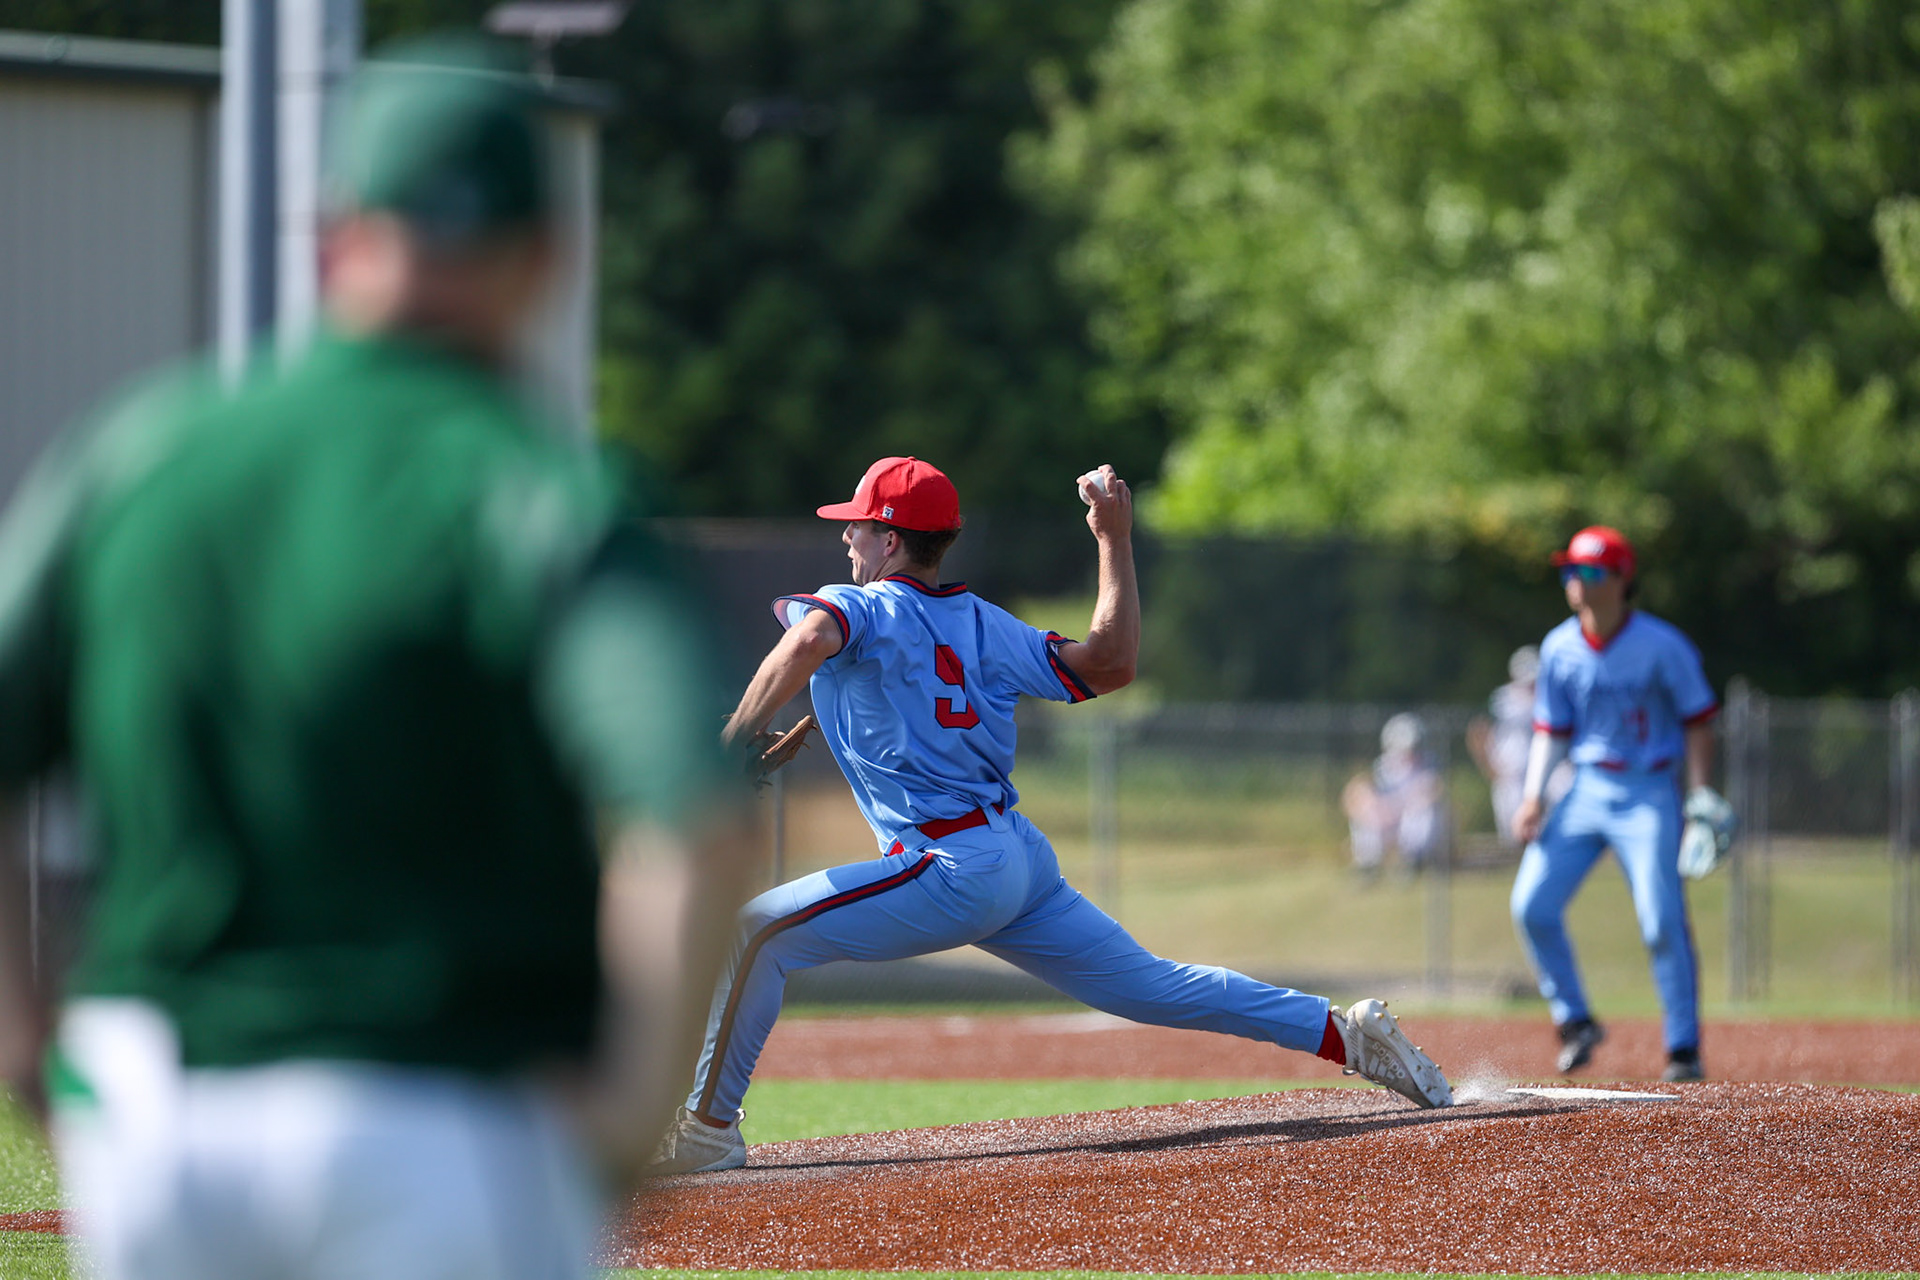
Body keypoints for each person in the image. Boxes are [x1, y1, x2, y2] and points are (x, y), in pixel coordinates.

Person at [0, 41, 751, 1280]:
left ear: (332, 236)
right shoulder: (542, 489)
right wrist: (625, 1113)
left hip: (158, 1127)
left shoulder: (138, 459)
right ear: (546, 260)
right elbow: (695, 818)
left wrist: (24, 1043)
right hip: (444, 1107)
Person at [645, 456, 1455, 1176]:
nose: (846, 541)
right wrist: (1114, 538)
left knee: (754, 932)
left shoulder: (857, 608)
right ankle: (1346, 1036)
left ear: (891, 540)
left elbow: (815, 634)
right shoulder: (985, 623)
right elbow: (1112, 663)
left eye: (857, 526)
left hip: (949, 869)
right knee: (1153, 986)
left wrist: (727, 744)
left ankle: (709, 1132)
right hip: (1015, 859)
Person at [1509, 526, 1723, 1082]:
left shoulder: (1662, 645)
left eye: (1591, 571)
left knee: (1660, 919)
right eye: (1570, 571)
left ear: (1623, 579)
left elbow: (1699, 722)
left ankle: (1682, 1046)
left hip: (1649, 790)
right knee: (1531, 904)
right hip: (1586, 788)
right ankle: (1575, 1019)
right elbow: (1551, 729)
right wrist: (1533, 795)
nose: (1576, 581)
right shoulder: (1559, 647)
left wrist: (1699, 795)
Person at [1466, 645, 1570, 851]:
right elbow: (1477, 731)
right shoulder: (1501, 700)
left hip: (1547, 767)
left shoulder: (1550, 696)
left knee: (1562, 806)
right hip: (1512, 772)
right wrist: (1488, 765)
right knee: (1514, 833)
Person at [1342, 712, 1445, 877]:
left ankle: (1412, 861)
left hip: (1409, 817)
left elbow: (1431, 792)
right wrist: (1380, 808)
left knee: (1420, 814)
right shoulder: (1382, 767)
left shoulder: (1429, 764)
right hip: (1388, 816)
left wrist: (1402, 807)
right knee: (1367, 813)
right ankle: (1368, 864)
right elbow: (1356, 793)